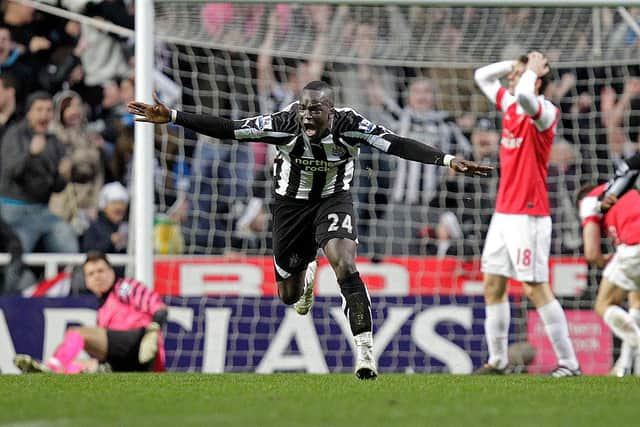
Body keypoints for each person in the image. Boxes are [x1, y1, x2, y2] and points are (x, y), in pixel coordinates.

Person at [127, 80, 493, 379]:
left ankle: (365, 352)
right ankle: (305, 280)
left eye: (314, 109)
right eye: (302, 108)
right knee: (288, 295)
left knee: (345, 261)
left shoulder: (352, 125)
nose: (306, 115)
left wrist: (446, 159)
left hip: (334, 199)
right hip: (289, 207)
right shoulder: (283, 124)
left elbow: (397, 144)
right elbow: (230, 129)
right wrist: (174, 116)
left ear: (331, 112)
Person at [474, 51, 580, 377]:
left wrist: (531, 69)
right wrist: (517, 64)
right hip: (504, 213)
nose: (511, 77)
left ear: (535, 78)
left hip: (529, 215)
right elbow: (481, 76)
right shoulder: (509, 106)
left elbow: (524, 92)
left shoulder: (544, 111)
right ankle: (499, 360)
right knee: (493, 284)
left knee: (535, 287)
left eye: (518, 72)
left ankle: (570, 363)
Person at [14, 251, 167, 374]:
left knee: (77, 333)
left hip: (140, 343)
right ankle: (54, 369)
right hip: (127, 360)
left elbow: (158, 308)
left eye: (101, 271)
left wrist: (152, 331)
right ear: (86, 281)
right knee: (76, 366)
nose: (97, 276)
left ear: (111, 272)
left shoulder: (123, 287)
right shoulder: (102, 311)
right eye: (91, 274)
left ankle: (52, 368)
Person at [577, 183, 640, 376]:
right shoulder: (628, 190)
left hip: (634, 244)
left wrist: (600, 260)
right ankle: (626, 367)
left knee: (603, 304)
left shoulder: (590, 200)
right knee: (636, 301)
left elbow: (591, 252)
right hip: (632, 247)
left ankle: (636, 344)